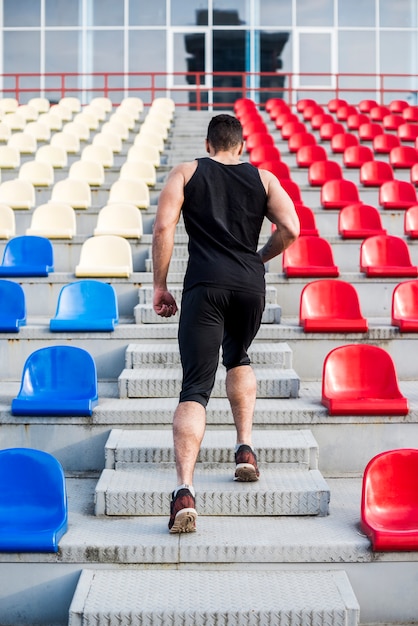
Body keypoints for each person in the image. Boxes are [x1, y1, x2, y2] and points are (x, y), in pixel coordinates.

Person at [152, 113, 300, 533]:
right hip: (249, 286)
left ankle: (184, 491)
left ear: (208, 143)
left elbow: (164, 226)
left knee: (196, 388)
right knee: (238, 357)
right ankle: (245, 449)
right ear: (241, 145)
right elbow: (291, 227)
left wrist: (160, 286)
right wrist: (257, 259)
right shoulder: (265, 179)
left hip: (205, 286)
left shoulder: (186, 172)